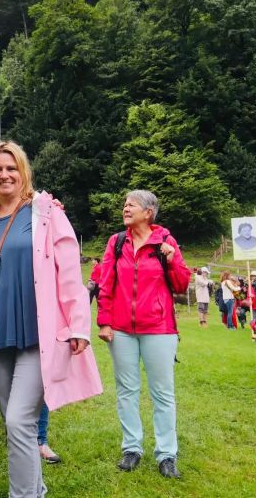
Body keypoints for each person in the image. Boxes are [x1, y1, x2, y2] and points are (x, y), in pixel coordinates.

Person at [0, 141, 102, 496]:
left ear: (23, 172)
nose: (4, 175)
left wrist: (78, 324)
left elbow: (69, 272)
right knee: (16, 426)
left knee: (19, 419)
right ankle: (35, 489)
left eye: (11, 168)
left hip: (40, 334)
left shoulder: (47, 212)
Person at [96, 190, 191, 479]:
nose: (125, 208)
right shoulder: (117, 242)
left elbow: (181, 285)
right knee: (127, 391)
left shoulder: (165, 242)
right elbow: (106, 283)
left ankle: (166, 454)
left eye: (131, 205)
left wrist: (173, 259)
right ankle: (132, 448)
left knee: (162, 393)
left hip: (159, 329)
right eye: (124, 204)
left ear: (148, 212)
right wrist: (104, 322)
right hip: (122, 329)